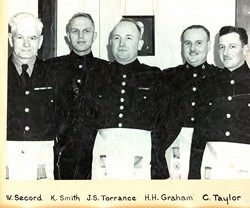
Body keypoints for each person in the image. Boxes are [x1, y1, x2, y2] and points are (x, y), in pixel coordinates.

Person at [68, 18, 180, 179]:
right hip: (103, 158)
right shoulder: (95, 75)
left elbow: (172, 119)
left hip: (146, 160)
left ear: (140, 44)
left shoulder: (155, 76)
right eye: (116, 38)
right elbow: (82, 119)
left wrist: (152, 145)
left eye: (129, 38)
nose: (122, 43)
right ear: (110, 44)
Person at [46, 12, 108, 179]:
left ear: (94, 36)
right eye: (75, 31)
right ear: (68, 36)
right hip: (59, 155)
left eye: (86, 31)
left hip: (97, 154)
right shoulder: (51, 67)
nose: (81, 36)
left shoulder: (107, 70)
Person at [188, 26, 250, 179]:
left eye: (232, 46)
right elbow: (199, 133)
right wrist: (194, 175)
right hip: (213, 166)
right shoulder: (207, 84)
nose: (225, 52)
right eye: (221, 47)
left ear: (246, 49)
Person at [163, 25, 220, 179]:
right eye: (187, 43)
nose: (192, 48)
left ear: (208, 46)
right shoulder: (168, 77)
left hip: (208, 146)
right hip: (175, 144)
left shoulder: (220, 77)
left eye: (199, 43)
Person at [7, 12, 57, 180]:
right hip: (6, 156)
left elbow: (63, 117)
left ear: (40, 41)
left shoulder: (54, 75)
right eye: (20, 37)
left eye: (32, 38)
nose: (27, 44)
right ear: (10, 39)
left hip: (41, 157)